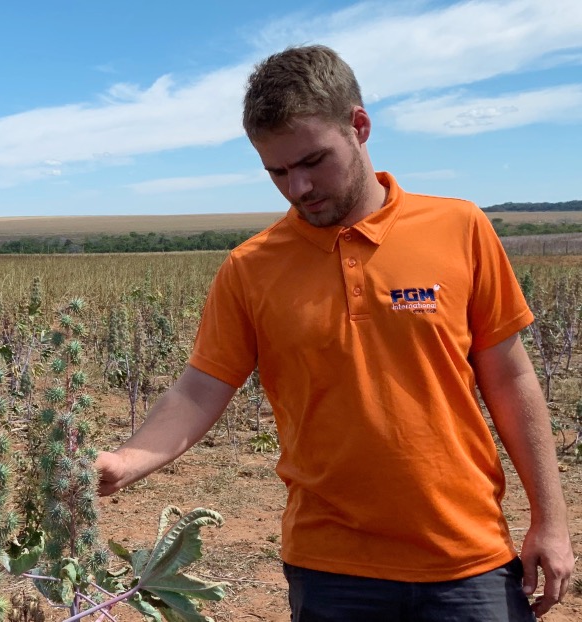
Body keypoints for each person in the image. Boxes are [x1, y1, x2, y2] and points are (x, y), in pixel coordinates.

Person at [95, 44, 575, 621]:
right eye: (277, 171)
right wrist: (126, 461)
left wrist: (551, 518)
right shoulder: (251, 267)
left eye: (312, 161)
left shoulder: (460, 228)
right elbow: (201, 388)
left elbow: (511, 376)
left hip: (467, 559)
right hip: (330, 568)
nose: (298, 187)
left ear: (360, 126)